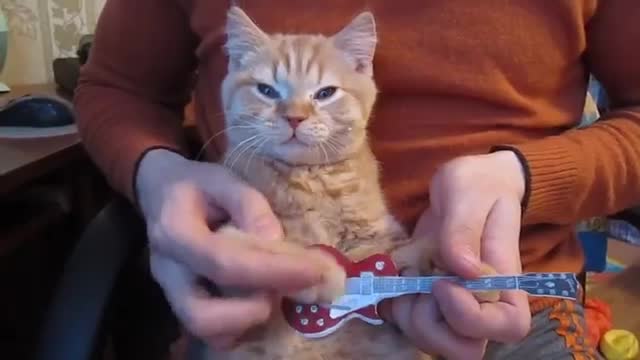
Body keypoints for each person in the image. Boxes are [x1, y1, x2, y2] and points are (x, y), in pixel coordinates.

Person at [74, 1, 640, 359]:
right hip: (254, 315)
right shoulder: (244, 161)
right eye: (271, 91)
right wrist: (160, 176)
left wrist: (523, 175)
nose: (295, 115)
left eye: (319, 94)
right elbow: (117, 88)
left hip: (505, 300)